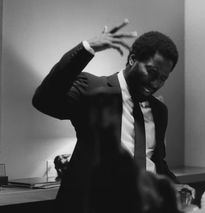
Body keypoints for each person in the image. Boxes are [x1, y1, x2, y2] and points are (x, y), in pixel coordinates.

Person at [32, 19, 192, 212]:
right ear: (133, 59)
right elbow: (44, 100)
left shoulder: (159, 110)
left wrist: (174, 185)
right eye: (152, 72)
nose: (156, 83)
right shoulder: (93, 89)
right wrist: (86, 48)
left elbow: (156, 161)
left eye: (163, 78)